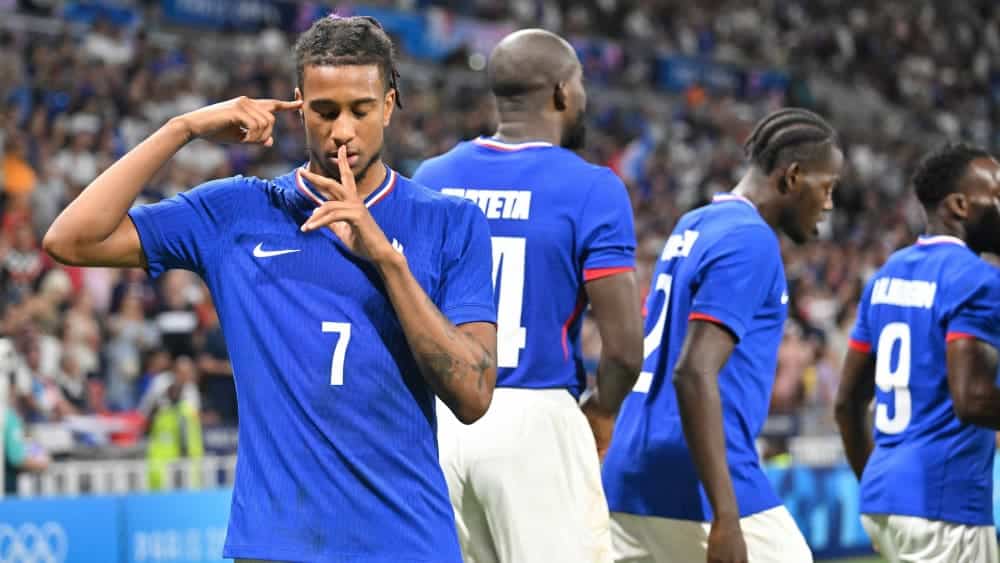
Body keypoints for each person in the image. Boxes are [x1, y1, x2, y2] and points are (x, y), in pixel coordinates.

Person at [42, 15, 497, 563]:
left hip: (406, 542)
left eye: (360, 110)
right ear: (299, 107)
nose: (343, 131)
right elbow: (71, 239)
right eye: (325, 112)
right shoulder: (238, 212)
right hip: (278, 546)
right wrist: (181, 128)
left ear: (389, 105)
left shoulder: (449, 223)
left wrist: (386, 261)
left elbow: (473, 396)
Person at [413, 29, 642, 563]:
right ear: (562, 91)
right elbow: (626, 350)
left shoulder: (432, 177)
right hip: (534, 415)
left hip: (439, 420)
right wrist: (602, 412)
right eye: (580, 83)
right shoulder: (593, 187)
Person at [602, 108, 842, 563]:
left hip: (629, 475)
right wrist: (727, 516)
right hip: (696, 478)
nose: (829, 204)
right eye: (826, 187)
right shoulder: (751, 239)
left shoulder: (693, 224)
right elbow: (693, 371)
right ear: (793, 177)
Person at [835, 143, 1000, 563]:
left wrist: (877, 490)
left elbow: (846, 404)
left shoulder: (885, 276)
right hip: (946, 506)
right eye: (997, 194)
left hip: (884, 499)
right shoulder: (977, 280)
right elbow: (973, 399)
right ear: (960, 205)